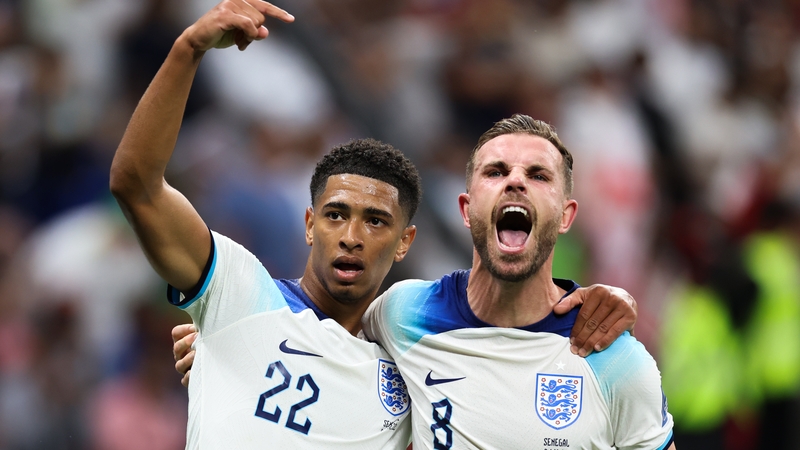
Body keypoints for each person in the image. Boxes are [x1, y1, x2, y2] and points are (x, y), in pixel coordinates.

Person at [112, 1, 638, 448]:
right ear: (309, 224)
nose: (352, 236)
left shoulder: (409, 364)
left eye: (376, 221)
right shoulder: (238, 294)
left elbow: (507, 337)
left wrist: (599, 301)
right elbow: (136, 186)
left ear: (406, 241)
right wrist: (188, 51)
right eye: (336, 215)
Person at [360, 114, 676, 449]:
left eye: (538, 175)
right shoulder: (403, 313)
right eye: (495, 172)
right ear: (467, 210)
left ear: (565, 216)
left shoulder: (613, 358)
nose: (515, 182)